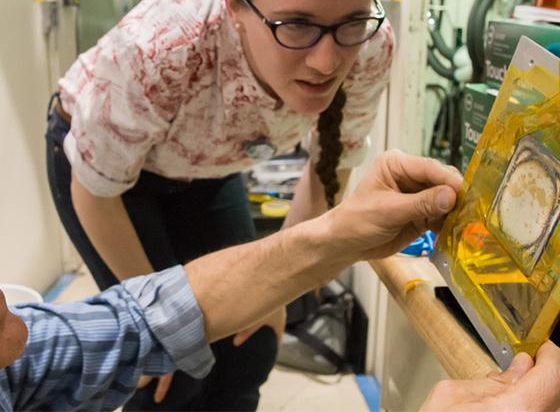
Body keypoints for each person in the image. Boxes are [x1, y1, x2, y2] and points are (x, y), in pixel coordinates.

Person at [45, 0, 393, 410]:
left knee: (250, 347)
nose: (327, 62)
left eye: (349, 23)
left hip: (208, 169)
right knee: (169, 370)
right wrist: (165, 322)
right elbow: (95, 193)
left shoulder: (369, 47)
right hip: (107, 180)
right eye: (296, 25)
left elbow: (330, 167)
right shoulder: (165, 45)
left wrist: (277, 286)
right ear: (234, 4)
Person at [6, 151, 560, 410]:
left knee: (246, 349)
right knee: (173, 387)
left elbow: (138, 323)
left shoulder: (14, 357)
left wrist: (330, 240)